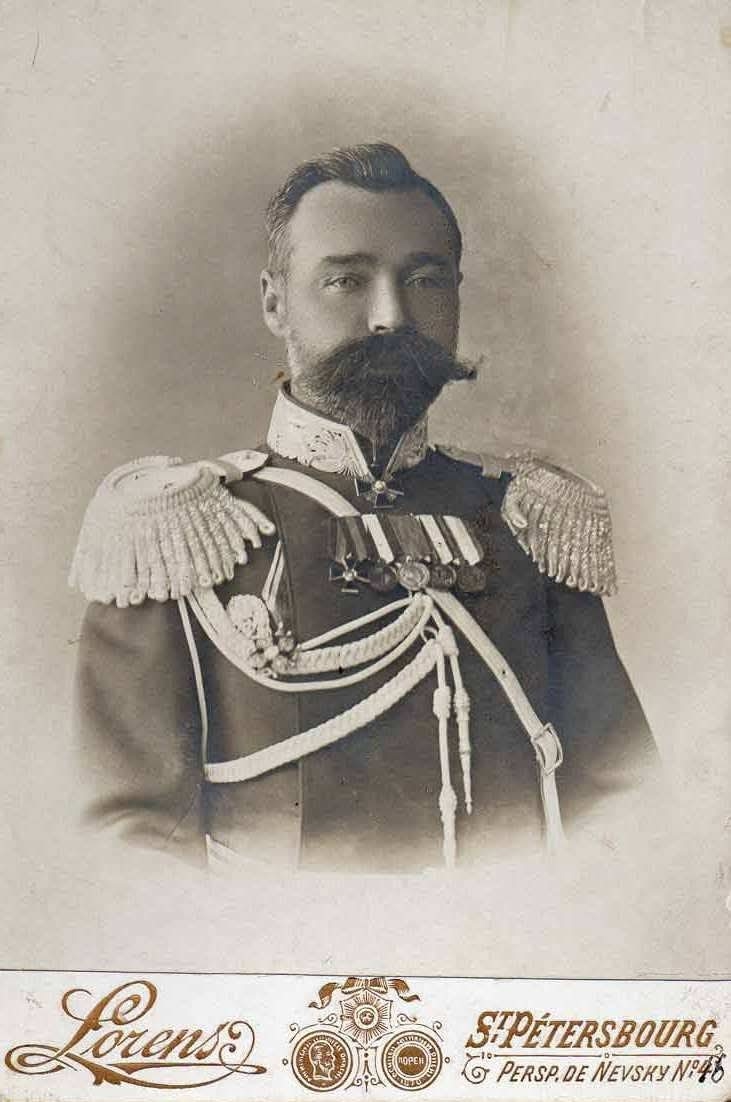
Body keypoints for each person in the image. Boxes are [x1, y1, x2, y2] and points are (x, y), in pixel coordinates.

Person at [70, 143, 657, 874]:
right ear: (274, 302)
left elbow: (626, 805)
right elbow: (128, 847)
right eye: (346, 279)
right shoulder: (178, 532)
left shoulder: (524, 516)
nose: (390, 316)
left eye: (424, 280)